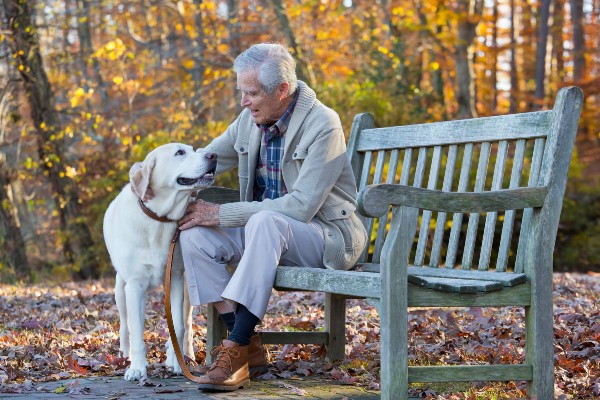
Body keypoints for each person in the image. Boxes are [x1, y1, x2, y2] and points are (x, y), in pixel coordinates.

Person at [177, 42, 367, 392]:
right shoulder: (249, 120)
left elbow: (300, 208)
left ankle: (233, 350)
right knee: (194, 233)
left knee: (262, 221)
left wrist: (221, 213)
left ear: (282, 90)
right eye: (242, 92)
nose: (243, 101)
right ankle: (246, 343)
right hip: (268, 231)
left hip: (326, 237)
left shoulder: (323, 123)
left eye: (250, 93)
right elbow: (207, 159)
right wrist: (161, 177)